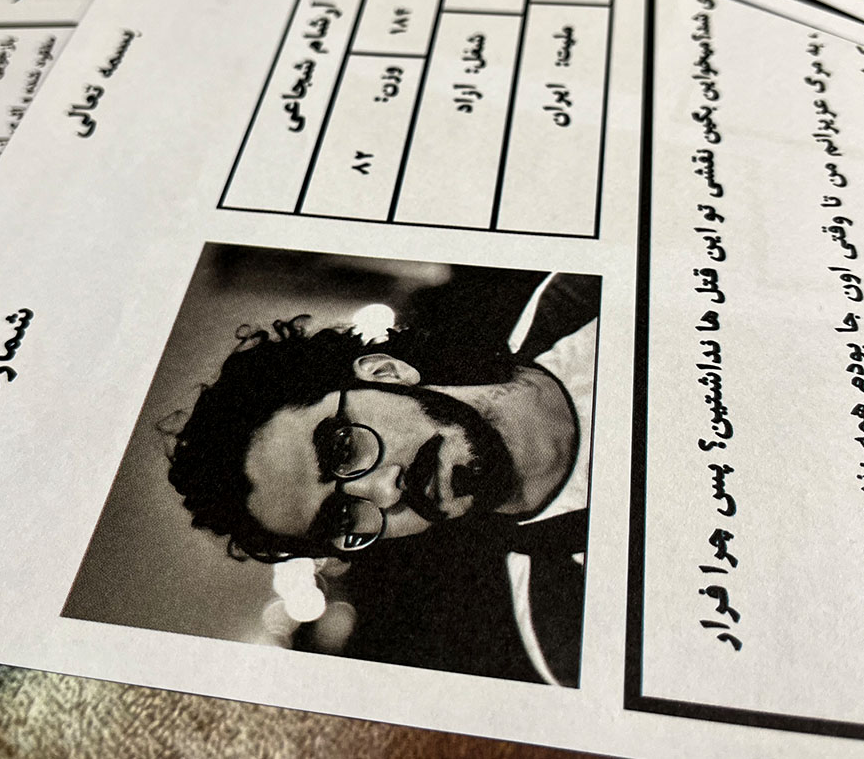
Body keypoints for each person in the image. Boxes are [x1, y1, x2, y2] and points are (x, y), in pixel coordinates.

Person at [166, 272, 598, 685]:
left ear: (385, 373)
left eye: (343, 448)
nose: (385, 491)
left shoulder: (584, 300)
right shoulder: (570, 629)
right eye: (341, 517)